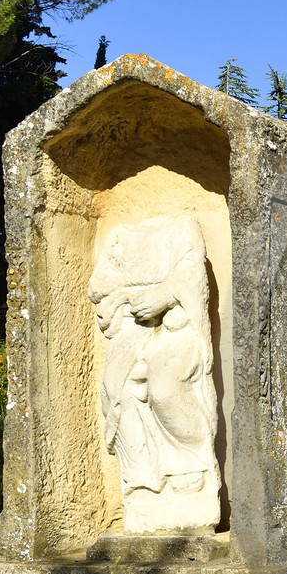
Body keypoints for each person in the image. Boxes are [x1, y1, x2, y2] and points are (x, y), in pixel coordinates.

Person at [89, 213, 220, 533]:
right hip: (132, 328)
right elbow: (99, 288)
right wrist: (127, 299)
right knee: (118, 388)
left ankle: (191, 464)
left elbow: (192, 275)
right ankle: (143, 479)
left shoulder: (183, 227)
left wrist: (164, 295)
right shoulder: (118, 236)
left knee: (163, 388)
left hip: (177, 327)